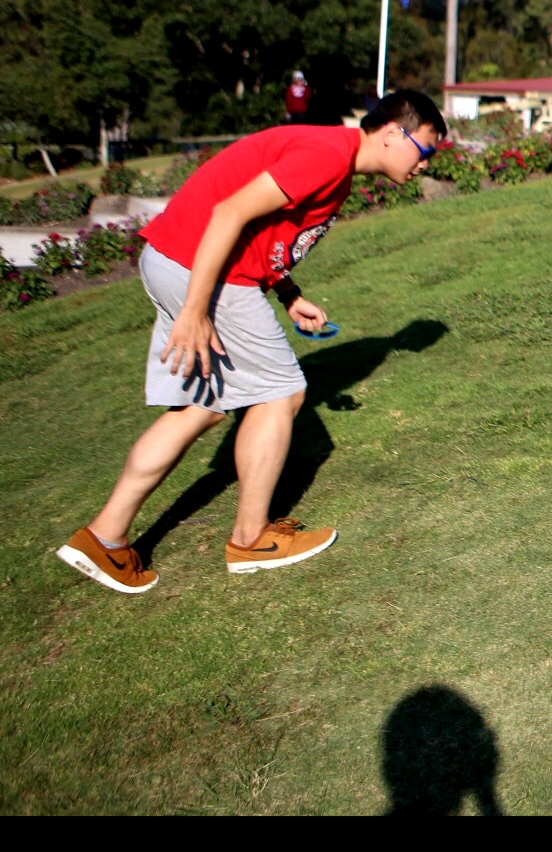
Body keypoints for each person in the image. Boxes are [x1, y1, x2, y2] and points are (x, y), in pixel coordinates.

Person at [55, 89, 446, 594]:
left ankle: (104, 538)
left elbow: (263, 232)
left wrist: (288, 292)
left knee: (202, 407)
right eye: (427, 148)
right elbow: (229, 213)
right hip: (201, 271)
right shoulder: (327, 155)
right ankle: (251, 539)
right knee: (282, 394)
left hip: (178, 261)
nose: (425, 163)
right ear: (394, 133)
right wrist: (196, 310)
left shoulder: (337, 161)